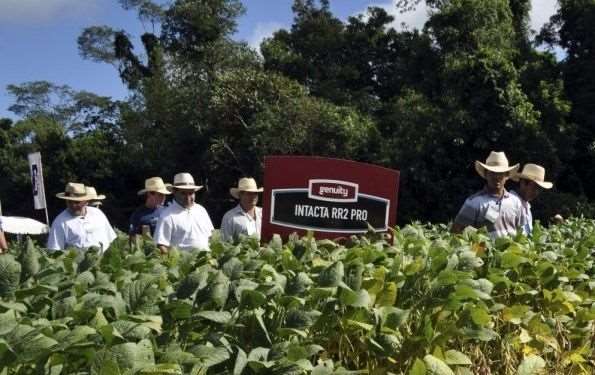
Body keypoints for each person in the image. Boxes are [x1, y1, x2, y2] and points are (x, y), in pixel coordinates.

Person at [452, 151, 523, 238]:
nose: (496, 177)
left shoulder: (515, 201)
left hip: (512, 251)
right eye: (492, 172)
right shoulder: (474, 202)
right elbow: (456, 231)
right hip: (484, 251)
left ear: (506, 175)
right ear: (486, 174)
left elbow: (520, 231)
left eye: (500, 173)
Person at [47, 182, 117, 252]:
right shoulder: (60, 222)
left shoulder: (98, 214)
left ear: (86, 201)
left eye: (77, 202)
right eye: (69, 202)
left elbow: (111, 239)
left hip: (105, 261)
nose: (73, 205)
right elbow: (54, 251)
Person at [153, 173, 214, 253]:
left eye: (191, 193)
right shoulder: (167, 216)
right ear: (174, 192)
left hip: (207, 261)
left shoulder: (201, 210)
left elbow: (210, 236)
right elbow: (161, 245)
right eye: (183, 193)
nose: (188, 197)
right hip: (183, 264)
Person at [511, 163, 553, 235]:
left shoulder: (527, 206)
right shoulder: (510, 203)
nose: (536, 192)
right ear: (522, 183)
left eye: (539, 189)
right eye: (534, 187)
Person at [221, 177, 263, 242]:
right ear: (240, 195)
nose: (253, 196)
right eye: (249, 193)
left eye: (255, 193)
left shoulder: (263, 213)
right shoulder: (229, 217)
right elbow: (225, 243)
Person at [129, 177, 171, 242]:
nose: (163, 197)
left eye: (164, 194)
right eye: (160, 194)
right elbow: (133, 240)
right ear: (149, 194)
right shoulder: (138, 215)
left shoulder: (167, 211)